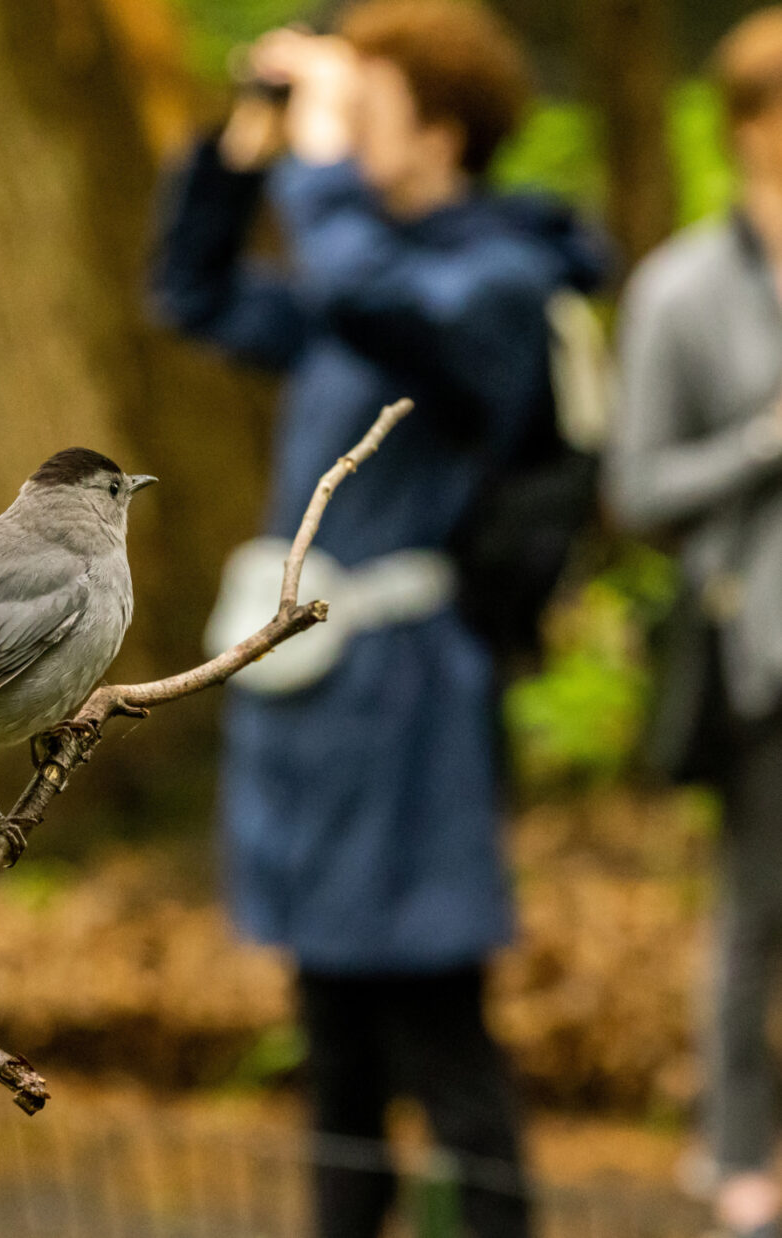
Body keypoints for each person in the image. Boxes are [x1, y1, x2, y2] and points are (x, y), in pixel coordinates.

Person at [149, 4, 606, 1236]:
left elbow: (365, 286)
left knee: (439, 1020)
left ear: (444, 132)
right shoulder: (365, 278)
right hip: (313, 700)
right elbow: (193, 295)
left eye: (373, 108)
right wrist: (250, 142)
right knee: (334, 1035)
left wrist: (318, 153)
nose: (344, 134)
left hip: (411, 696)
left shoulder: (496, 280)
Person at [607, 11, 782, 1237]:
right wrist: (767, 443)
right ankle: (736, 1155)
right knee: (757, 909)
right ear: (749, 129)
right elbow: (638, 491)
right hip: (758, 653)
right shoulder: (679, 288)